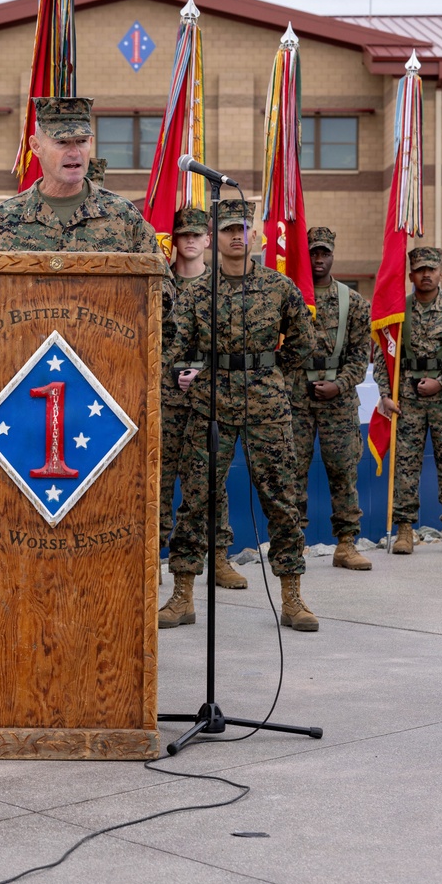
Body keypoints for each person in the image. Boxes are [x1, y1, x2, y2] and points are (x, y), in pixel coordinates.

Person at [161, 200, 319, 631]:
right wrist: (183, 373)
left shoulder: (279, 287)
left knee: (283, 502)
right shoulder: (196, 293)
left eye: (242, 228)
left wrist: (271, 374)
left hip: (267, 408)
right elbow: (174, 349)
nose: (236, 235)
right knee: (195, 501)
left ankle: (292, 597)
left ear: (253, 234)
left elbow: (305, 341)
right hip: (210, 404)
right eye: (228, 228)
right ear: (214, 236)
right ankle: (181, 597)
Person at [0, 97, 173, 292]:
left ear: (90, 143)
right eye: (62, 143)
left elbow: (162, 296)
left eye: (81, 141)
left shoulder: (123, 216)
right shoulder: (0, 221)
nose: (74, 152)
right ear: (36, 146)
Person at [159, 206, 243, 588]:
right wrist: (171, 372)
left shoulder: (224, 286)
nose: (190, 240)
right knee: (158, 480)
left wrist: (204, 374)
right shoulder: (158, 286)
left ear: (209, 240)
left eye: (197, 234)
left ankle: (219, 557)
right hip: (165, 398)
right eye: (183, 234)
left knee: (212, 481)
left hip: (211, 399)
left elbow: (233, 345)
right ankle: (153, 558)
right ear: (173, 240)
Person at [375, 245, 442, 555]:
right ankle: (405, 529)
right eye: (420, 270)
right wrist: (384, 394)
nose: (426, 274)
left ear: (441, 273)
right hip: (407, 399)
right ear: (410, 276)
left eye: (431, 269)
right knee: (405, 467)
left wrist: (440, 383)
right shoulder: (397, 313)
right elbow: (383, 356)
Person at [287, 227, 372, 570]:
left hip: (338, 400)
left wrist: (341, 384)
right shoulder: (290, 297)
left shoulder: (353, 302)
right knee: (292, 472)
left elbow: (359, 355)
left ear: (333, 255)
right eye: (313, 253)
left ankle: (346, 544)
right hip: (297, 398)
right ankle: (293, 543)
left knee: (343, 471)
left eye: (324, 253)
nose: (318, 260)